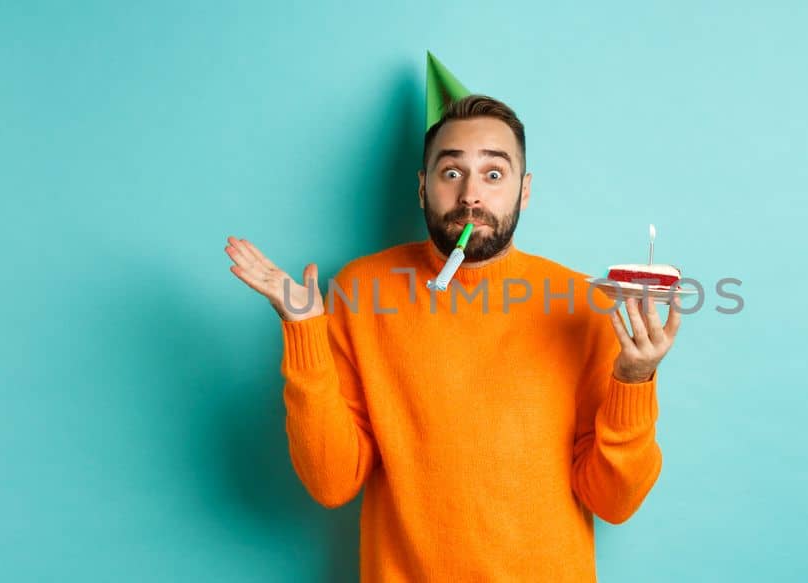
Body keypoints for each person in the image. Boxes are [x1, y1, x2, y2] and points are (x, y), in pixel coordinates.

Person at [224, 94, 682, 581]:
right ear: (422, 188)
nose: (470, 196)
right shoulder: (361, 291)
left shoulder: (580, 303)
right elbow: (331, 483)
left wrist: (635, 379)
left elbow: (613, 502)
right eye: (450, 172)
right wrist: (304, 333)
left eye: (493, 173)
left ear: (524, 191)